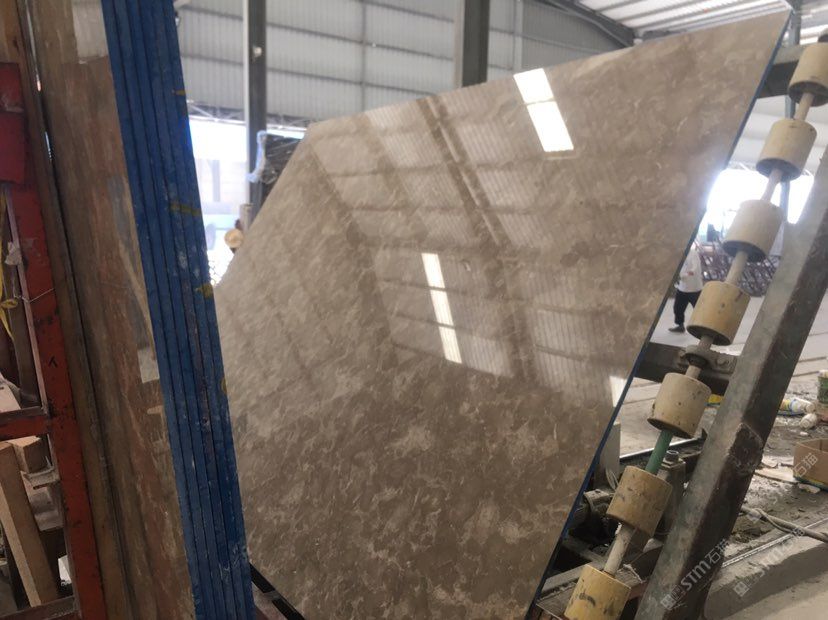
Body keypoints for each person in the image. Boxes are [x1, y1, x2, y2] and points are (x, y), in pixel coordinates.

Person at [669, 246, 703, 333]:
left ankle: (702, 327)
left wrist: (691, 271)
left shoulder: (693, 253)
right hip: (682, 288)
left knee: (699, 310)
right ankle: (680, 326)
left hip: (694, 289)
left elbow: (695, 266)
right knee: (677, 308)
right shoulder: (677, 255)